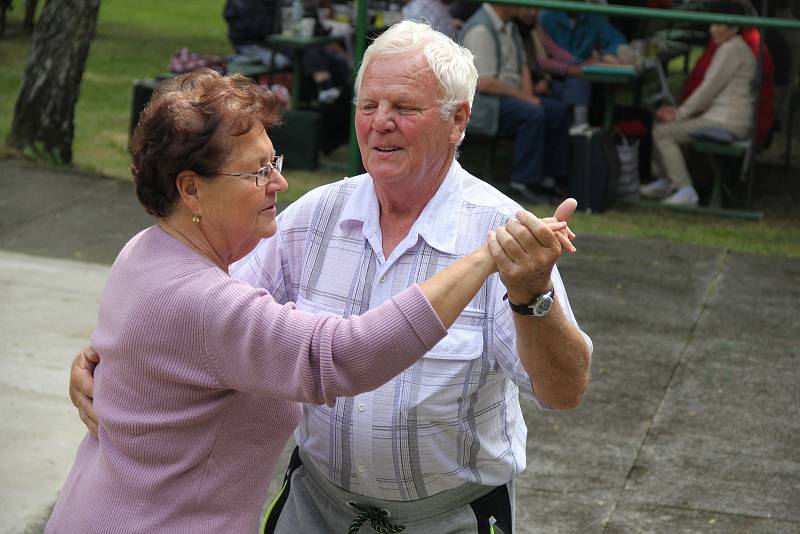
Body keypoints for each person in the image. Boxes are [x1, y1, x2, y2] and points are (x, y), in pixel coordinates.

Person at [71, 21, 592, 533]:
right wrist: (113, 363)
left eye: (403, 108)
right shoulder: (315, 217)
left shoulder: (508, 235)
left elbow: (565, 390)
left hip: (447, 519)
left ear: (457, 120)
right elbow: (216, 316)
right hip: (316, 508)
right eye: (368, 105)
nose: (379, 122)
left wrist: (534, 297)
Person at [641, 2, 756, 206]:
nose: (712, 29)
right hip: (723, 117)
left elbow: (707, 90)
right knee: (663, 124)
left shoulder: (730, 50)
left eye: (717, 25)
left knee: (663, 132)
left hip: (726, 121)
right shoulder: (735, 47)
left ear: (734, 27)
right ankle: (667, 180)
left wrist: (679, 114)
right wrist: (679, 112)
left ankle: (684, 189)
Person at [461, 3, 571, 203]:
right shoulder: (481, 29)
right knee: (532, 113)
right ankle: (523, 182)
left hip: (510, 97)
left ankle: (552, 179)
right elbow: (485, 83)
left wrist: (529, 95)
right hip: (485, 105)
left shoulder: (510, 26)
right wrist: (527, 99)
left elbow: (523, 67)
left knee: (558, 110)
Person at [517, 6, 594, 131]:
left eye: (535, 9)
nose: (532, 13)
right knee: (569, 87)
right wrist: (570, 69)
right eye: (526, 8)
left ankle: (580, 124)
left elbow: (552, 49)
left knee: (578, 79)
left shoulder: (535, 26)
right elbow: (539, 62)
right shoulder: (517, 29)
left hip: (544, 79)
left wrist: (579, 63)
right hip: (531, 82)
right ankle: (577, 126)